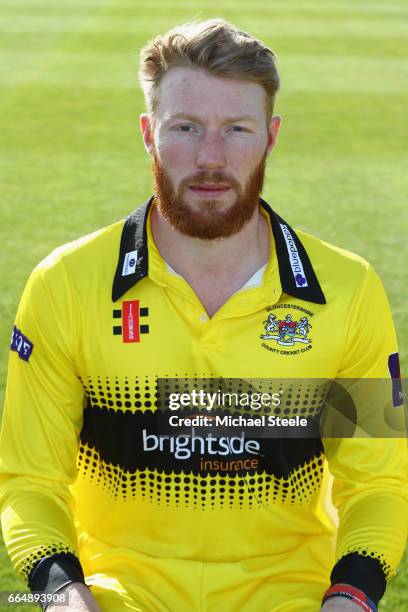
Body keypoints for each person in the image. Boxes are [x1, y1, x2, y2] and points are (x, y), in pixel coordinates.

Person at [0, 19, 407, 612]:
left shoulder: (350, 289)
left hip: (293, 597)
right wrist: (64, 595)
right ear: (148, 133)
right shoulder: (64, 283)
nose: (210, 159)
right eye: (185, 128)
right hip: (118, 597)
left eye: (236, 130)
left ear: (270, 137)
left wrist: (350, 597)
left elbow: (379, 484)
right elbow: (30, 481)